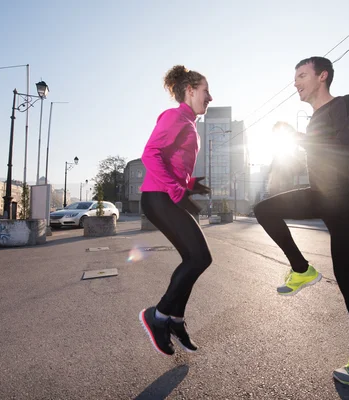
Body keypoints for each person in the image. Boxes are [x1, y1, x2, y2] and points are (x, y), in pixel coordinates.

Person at [253, 57, 349, 386]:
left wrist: (295, 137)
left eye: (301, 75)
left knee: (347, 275)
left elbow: (338, 147)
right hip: (320, 194)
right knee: (264, 209)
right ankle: (301, 269)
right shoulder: (312, 123)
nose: (295, 82)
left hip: (346, 200)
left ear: (321, 76)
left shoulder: (346, 104)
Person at [138, 65, 213, 356]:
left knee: (194, 259)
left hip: (165, 196)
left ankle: (176, 320)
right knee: (201, 257)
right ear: (190, 90)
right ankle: (157, 316)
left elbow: (172, 162)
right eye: (206, 91)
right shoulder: (175, 116)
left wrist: (190, 183)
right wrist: (176, 190)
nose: (210, 97)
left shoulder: (189, 122)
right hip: (158, 197)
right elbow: (150, 154)